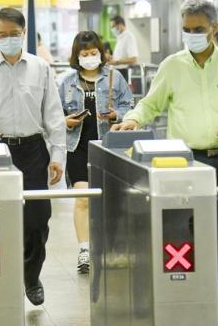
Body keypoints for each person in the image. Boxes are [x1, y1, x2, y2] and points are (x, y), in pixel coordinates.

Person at [112, 0, 218, 284]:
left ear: (214, 28)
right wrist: (133, 119)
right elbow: (150, 104)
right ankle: (183, 292)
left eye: (198, 28)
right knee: (182, 231)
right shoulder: (172, 65)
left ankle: (209, 295)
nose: (191, 34)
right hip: (184, 161)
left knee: (216, 231)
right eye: (186, 29)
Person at [0, 7, 66, 306]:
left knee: (36, 220)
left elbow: (54, 117)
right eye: (1, 35)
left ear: (23, 33)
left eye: (13, 34)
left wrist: (57, 155)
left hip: (33, 150)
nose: (7, 39)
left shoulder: (40, 68)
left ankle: (31, 277)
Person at [58, 31, 133, 273]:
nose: (90, 57)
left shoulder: (115, 77)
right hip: (78, 147)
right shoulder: (67, 82)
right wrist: (65, 121)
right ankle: (84, 251)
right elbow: (55, 114)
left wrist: (116, 115)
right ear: (76, 56)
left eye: (94, 53)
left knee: (111, 200)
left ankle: (110, 247)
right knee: (83, 200)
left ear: (101, 53)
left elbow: (128, 105)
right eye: (85, 54)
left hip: (109, 146)